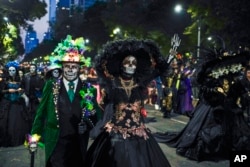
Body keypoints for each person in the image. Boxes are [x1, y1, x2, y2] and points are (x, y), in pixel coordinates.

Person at [86, 38, 171, 167]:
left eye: (134, 63)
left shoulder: (139, 83)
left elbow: (160, 70)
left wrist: (169, 55)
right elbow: (100, 68)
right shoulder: (113, 83)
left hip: (139, 134)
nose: (131, 65)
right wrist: (108, 53)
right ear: (121, 65)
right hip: (115, 136)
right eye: (128, 62)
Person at [153, 51, 250, 161]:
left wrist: (240, 96)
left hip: (229, 109)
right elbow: (204, 89)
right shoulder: (212, 75)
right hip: (212, 108)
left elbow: (238, 90)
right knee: (210, 131)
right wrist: (215, 90)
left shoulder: (233, 76)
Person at [30, 35, 101, 167]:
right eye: (67, 66)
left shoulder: (89, 89)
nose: (70, 69)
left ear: (79, 68)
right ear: (62, 67)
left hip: (78, 142)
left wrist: (88, 124)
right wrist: (34, 135)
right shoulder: (51, 85)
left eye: (73, 66)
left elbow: (97, 116)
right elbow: (41, 112)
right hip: (56, 140)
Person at [0, 61, 29, 147]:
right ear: (8, 71)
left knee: (18, 122)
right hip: (7, 104)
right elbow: (0, 91)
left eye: (13, 70)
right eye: (10, 70)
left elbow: (23, 90)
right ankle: (9, 141)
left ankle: (18, 140)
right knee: (8, 123)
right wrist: (8, 91)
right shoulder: (4, 81)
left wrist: (21, 92)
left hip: (17, 103)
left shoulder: (20, 80)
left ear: (16, 71)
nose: (12, 72)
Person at [23, 63, 45, 130]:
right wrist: (24, 96)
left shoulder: (39, 77)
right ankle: (28, 127)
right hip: (28, 97)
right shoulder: (26, 76)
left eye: (33, 68)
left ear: (35, 69)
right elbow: (22, 86)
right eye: (31, 68)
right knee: (27, 113)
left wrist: (39, 91)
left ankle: (36, 127)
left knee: (36, 114)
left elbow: (43, 87)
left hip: (36, 98)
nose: (32, 69)